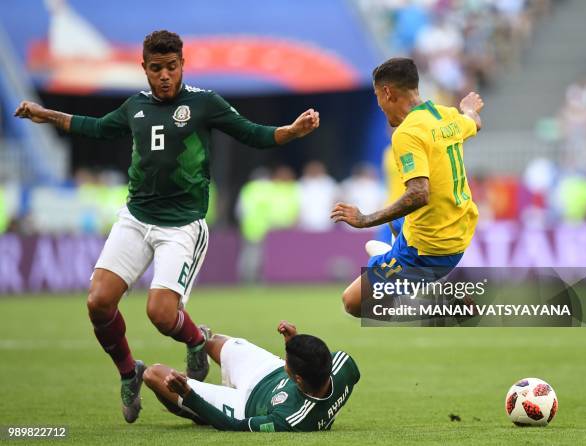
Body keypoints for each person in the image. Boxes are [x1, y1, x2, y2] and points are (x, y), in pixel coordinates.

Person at [14, 30, 320, 422]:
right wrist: (47, 114)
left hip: (181, 226)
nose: (164, 76)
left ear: (182, 65)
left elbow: (251, 133)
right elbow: (94, 127)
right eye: (156, 68)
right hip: (136, 217)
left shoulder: (203, 103)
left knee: (160, 315)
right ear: (144, 68)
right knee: (98, 302)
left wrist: (291, 131)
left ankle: (196, 341)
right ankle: (129, 373)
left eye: (171, 68)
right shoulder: (134, 107)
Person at [331, 57, 483, 318]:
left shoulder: (407, 133)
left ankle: (444, 296)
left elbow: (418, 194)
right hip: (458, 229)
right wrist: (469, 109)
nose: (380, 106)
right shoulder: (445, 115)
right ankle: (392, 260)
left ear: (388, 92)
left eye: (378, 97)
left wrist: (364, 219)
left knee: (352, 302)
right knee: (391, 229)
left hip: (429, 248)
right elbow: (474, 123)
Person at [143, 321, 359, 432]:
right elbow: (310, 361)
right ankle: (199, 366)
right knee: (206, 339)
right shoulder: (344, 365)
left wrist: (189, 395)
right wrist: (294, 343)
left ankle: (192, 411)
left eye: (289, 362)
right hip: (267, 371)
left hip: (244, 405)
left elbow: (232, 426)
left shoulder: (292, 419)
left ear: (299, 379)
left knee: (154, 374)